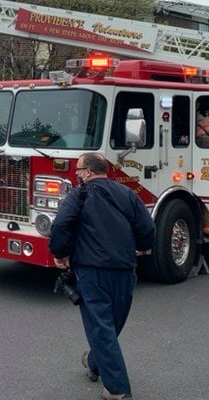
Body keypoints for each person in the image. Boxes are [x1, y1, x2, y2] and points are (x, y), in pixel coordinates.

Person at [49, 152, 155, 400]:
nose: (75, 175)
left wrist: (60, 253)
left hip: (92, 270)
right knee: (110, 324)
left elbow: (62, 223)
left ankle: (117, 389)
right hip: (125, 269)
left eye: (78, 170)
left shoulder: (79, 194)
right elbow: (147, 229)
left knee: (102, 327)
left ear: (88, 171)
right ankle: (95, 364)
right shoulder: (127, 194)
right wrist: (140, 245)